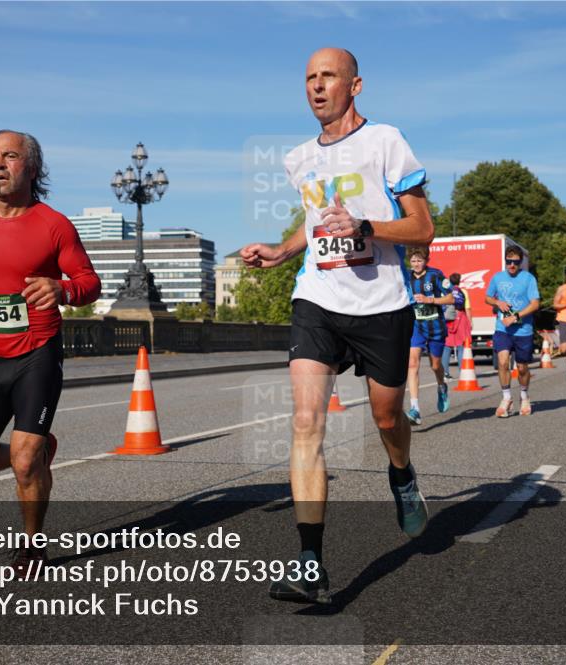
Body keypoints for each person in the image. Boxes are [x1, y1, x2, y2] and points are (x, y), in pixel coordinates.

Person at [240, 47, 434, 604]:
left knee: (386, 414)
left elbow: (422, 227)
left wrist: (368, 225)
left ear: (355, 85)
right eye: (308, 78)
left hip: (381, 303)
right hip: (318, 297)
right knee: (305, 422)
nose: (316, 86)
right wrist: (282, 250)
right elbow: (315, 220)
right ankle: (309, 563)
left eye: (328, 76)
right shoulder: (299, 158)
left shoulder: (385, 142)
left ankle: (402, 474)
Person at [0, 130, 101, 574]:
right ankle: (37, 450)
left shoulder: (53, 224)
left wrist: (61, 289)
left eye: (9, 156)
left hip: (38, 354)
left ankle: (32, 546)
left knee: (25, 460)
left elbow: (90, 282)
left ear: (32, 167)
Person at [485, 245, 540, 417]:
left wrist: (516, 316)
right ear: (505, 261)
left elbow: (535, 304)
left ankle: (524, 396)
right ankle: (506, 398)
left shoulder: (529, 279)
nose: (511, 265)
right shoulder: (497, 277)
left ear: (520, 262)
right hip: (503, 329)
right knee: (502, 362)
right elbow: (487, 297)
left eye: (515, 262)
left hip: (523, 330)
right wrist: (497, 303)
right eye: (509, 262)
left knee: (522, 368)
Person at [404, 247, 454, 425]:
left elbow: (451, 299)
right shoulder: (406, 276)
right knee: (412, 363)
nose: (416, 264)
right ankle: (415, 408)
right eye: (414, 261)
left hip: (435, 326)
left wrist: (430, 300)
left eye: (420, 261)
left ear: (426, 261)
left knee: (435, 365)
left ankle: (441, 386)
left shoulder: (435, 275)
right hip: (416, 325)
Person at [441, 272, 472, 381]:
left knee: (446, 346)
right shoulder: (463, 292)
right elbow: (467, 308)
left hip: (448, 319)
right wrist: (470, 322)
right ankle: (463, 372)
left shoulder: (446, 291)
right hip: (461, 318)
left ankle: (445, 373)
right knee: (461, 346)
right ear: (459, 281)